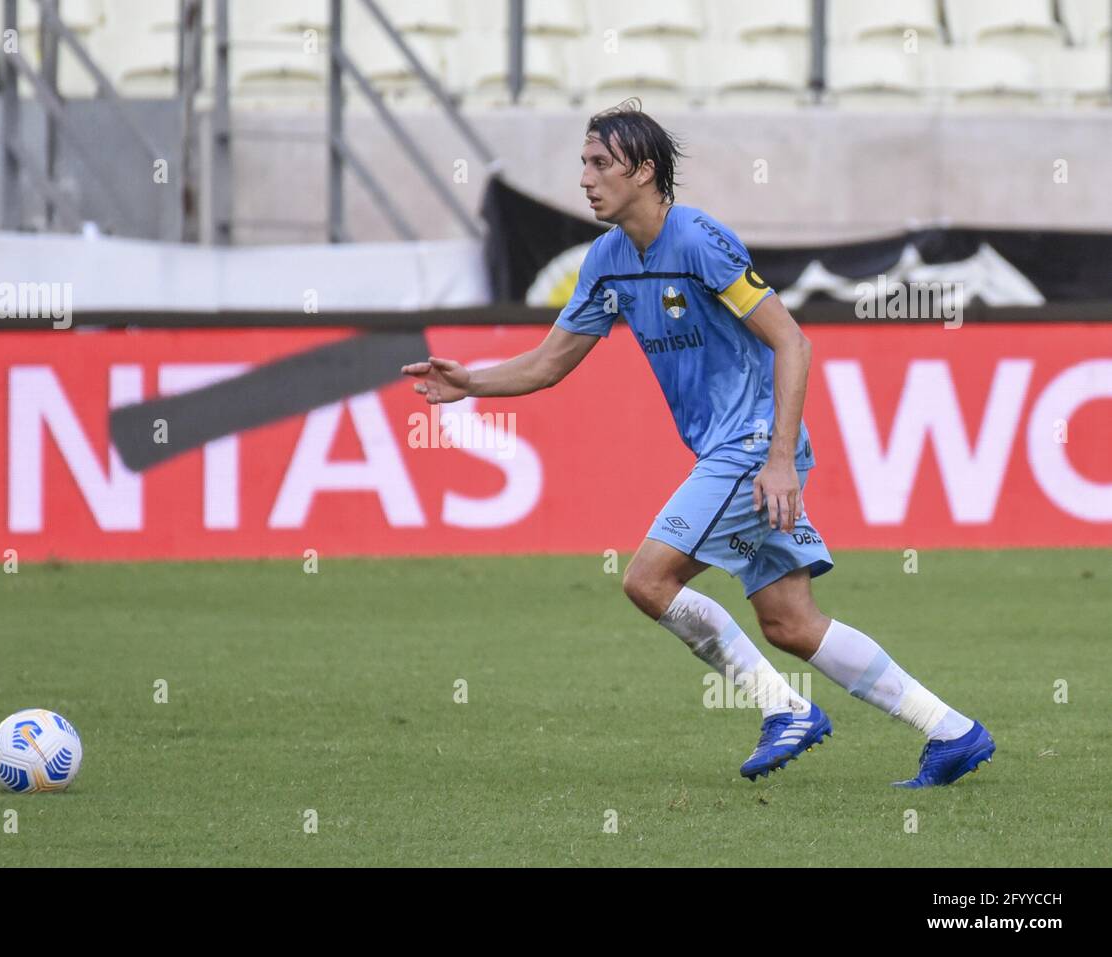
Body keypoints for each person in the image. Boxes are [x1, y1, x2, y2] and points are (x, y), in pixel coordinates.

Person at [402, 101, 995, 787]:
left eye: (600, 164)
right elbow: (547, 364)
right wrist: (468, 380)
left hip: (748, 450)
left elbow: (792, 340)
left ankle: (785, 710)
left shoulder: (699, 240)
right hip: (734, 451)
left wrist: (778, 459)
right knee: (790, 622)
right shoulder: (606, 259)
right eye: (583, 164)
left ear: (645, 170)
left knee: (647, 579)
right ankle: (951, 730)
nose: (586, 180)